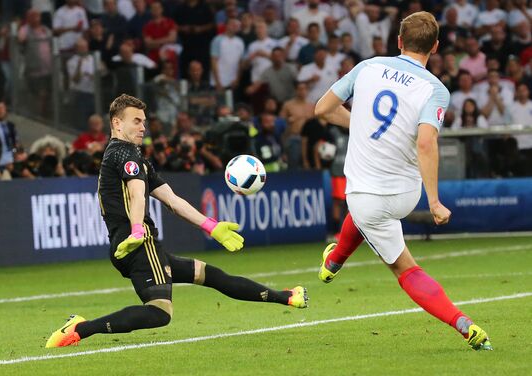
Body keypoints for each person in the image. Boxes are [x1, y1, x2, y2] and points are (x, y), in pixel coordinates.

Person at [45, 94, 307, 348]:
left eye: (144, 121)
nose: (142, 126)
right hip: (138, 245)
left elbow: (171, 199)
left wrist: (211, 226)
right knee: (160, 312)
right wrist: (137, 229)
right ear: (116, 123)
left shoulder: (132, 157)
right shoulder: (123, 153)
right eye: (136, 121)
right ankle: (80, 329)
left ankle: (286, 297)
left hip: (134, 245)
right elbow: (137, 194)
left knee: (211, 275)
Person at [314, 11, 492, 351]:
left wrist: (358, 123)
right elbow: (426, 142)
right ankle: (333, 261)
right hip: (405, 193)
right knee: (370, 213)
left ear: (398, 41)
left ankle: (462, 323)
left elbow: (322, 109)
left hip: (365, 196)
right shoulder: (436, 89)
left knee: (403, 267)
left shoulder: (367, 67)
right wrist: (434, 201)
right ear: (435, 47)